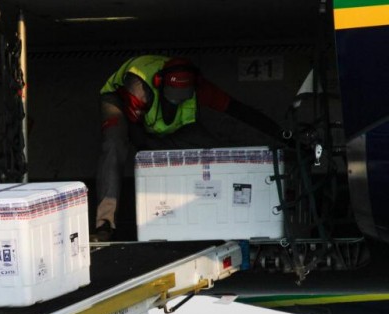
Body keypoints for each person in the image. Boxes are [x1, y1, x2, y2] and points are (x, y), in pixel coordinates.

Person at [93, 55, 288, 241]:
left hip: (165, 124)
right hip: (119, 101)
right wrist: (152, 153)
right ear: (161, 84)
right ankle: (105, 225)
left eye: (182, 98)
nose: (176, 102)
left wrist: (283, 136)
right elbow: (137, 133)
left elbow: (240, 111)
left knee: (218, 154)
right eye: (172, 97)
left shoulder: (201, 88)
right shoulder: (138, 87)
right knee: (114, 146)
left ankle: (224, 217)